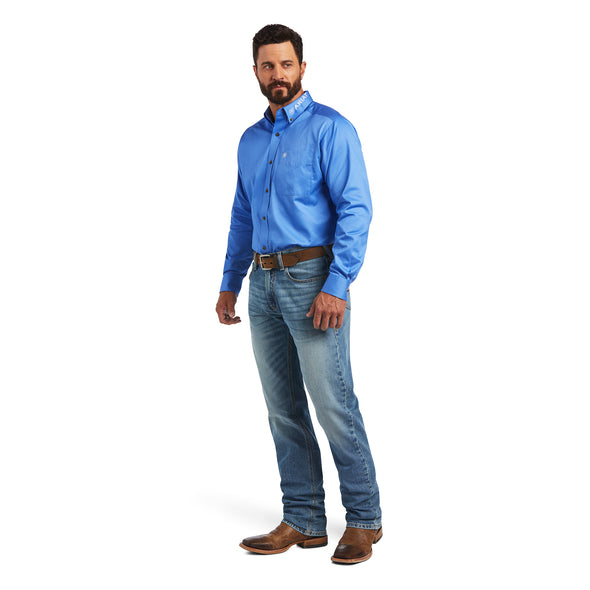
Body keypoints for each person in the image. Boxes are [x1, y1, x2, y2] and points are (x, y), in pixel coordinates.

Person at [215, 24, 382, 564]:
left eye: (286, 64)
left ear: (302, 67)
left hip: (314, 281)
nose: (277, 74)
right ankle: (304, 518)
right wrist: (230, 281)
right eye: (267, 65)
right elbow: (242, 215)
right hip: (262, 283)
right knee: (282, 408)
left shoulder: (331, 129)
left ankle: (365, 519)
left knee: (334, 403)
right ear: (256, 71)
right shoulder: (250, 139)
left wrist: (338, 283)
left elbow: (356, 209)